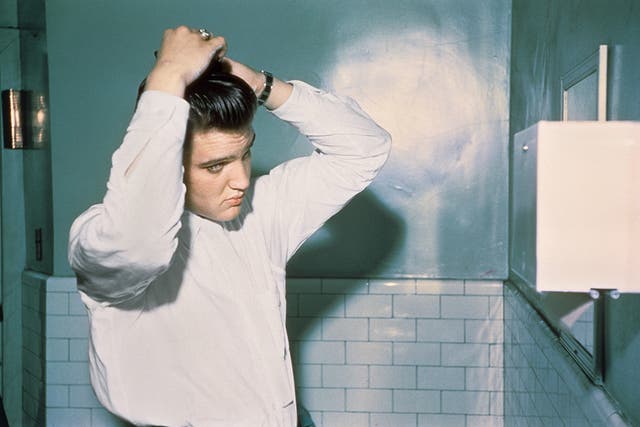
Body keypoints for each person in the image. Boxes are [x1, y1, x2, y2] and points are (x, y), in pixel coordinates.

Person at [68, 26, 391, 427]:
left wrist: (259, 83)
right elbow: (140, 242)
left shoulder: (260, 211)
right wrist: (168, 75)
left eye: (245, 154)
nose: (241, 178)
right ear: (170, 163)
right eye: (215, 165)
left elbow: (365, 149)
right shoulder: (102, 239)